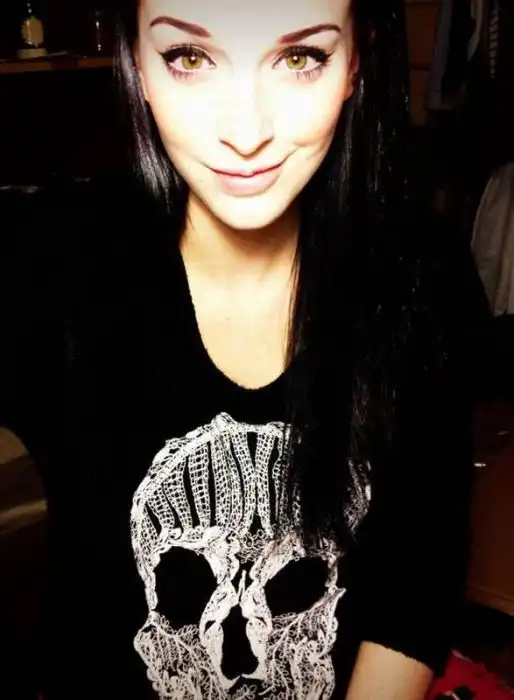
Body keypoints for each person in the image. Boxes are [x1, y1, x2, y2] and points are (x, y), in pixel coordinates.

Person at [0, 0, 475, 697]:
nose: (247, 133)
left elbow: (415, 588)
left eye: (299, 57)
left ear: (355, 63)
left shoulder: (423, 277)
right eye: (190, 58)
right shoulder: (48, 271)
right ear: (138, 64)